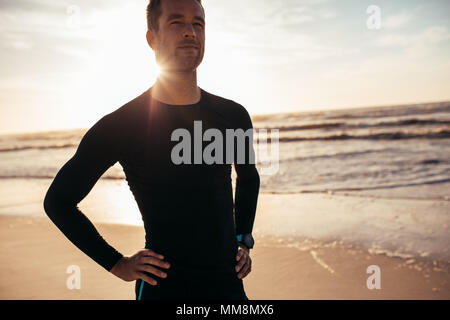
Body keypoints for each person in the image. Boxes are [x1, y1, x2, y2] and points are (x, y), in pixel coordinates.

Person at [43, 0, 260, 300]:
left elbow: (248, 178)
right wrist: (117, 263)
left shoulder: (232, 116)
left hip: (228, 287)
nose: (190, 32)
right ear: (152, 38)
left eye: (198, 24)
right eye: (176, 22)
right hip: (165, 289)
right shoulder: (124, 124)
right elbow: (58, 201)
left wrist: (243, 240)